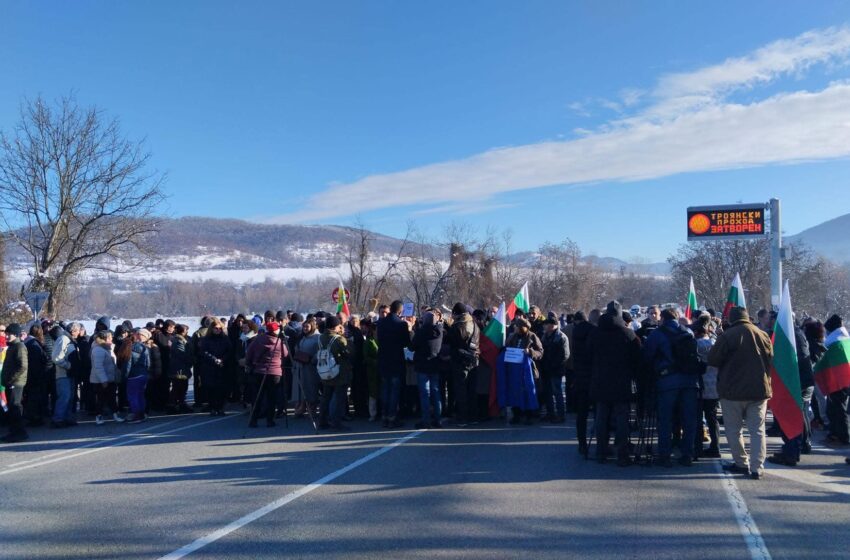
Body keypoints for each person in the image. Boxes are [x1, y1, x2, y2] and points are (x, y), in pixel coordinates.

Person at [708, 306, 773, 480]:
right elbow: (771, 357)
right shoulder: (762, 334)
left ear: (731, 318)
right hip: (759, 389)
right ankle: (757, 467)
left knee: (733, 430)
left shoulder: (727, 336)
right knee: (757, 431)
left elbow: (713, 359)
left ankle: (741, 463)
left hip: (732, 391)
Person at [643, 307, 701, 467]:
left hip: (667, 381)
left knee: (665, 420)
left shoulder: (657, 334)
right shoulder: (688, 332)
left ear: (663, 318)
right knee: (688, 420)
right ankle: (687, 454)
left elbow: (647, 356)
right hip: (689, 381)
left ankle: (665, 455)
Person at [589, 301, 642, 466]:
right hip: (622, 382)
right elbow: (638, 359)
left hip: (600, 381)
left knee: (601, 418)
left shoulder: (595, 333)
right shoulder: (628, 334)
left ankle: (601, 452)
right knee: (622, 419)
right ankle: (622, 453)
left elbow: (587, 355)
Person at [768, 315, 815, 466]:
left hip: (796, 382)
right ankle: (793, 448)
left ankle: (791, 451)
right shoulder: (795, 334)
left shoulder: (793, 335)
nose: (770, 323)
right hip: (796, 380)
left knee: (792, 416)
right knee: (797, 415)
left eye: (773, 320)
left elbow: (797, 359)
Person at [376, 300, 413, 428]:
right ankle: (392, 417)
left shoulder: (380, 323)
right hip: (396, 360)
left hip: (383, 359)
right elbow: (406, 343)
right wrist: (409, 330)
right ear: (400, 310)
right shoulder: (401, 324)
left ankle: (385, 416)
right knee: (394, 391)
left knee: (385, 389)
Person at [246, 321, 288, 428]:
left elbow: (249, 352)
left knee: (257, 397)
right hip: (274, 373)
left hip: (259, 371)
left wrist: (250, 364)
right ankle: (270, 420)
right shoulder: (279, 342)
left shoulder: (258, 339)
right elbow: (286, 354)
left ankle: (253, 420)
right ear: (275, 330)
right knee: (271, 397)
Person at [503, 316, 543, 425]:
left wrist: (530, 352)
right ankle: (516, 414)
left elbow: (540, 352)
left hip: (528, 370)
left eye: (517, 326)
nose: (515, 327)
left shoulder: (532, 336)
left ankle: (529, 415)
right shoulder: (512, 337)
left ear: (523, 327)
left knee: (527, 392)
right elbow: (506, 347)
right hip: (514, 370)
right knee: (515, 391)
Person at [447, 302, 480, 426]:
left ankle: (462, 417)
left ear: (456, 314)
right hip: (474, 360)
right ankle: (473, 416)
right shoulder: (475, 325)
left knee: (461, 390)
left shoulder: (456, 327)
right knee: (472, 389)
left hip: (460, 362)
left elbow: (451, 343)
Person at [410, 311, 444, 429]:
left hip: (423, 365)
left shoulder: (421, 332)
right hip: (435, 365)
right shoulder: (439, 332)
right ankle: (438, 419)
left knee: (425, 394)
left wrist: (414, 330)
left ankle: (426, 420)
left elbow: (412, 346)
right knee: (436, 392)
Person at [693, 314, 720, 458]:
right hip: (714, 385)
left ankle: (697, 448)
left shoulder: (695, 345)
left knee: (697, 419)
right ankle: (715, 446)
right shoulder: (714, 345)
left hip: (699, 385)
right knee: (712, 418)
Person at [318, 316, 352, 430]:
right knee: (339, 399)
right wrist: (344, 337)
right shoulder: (338, 339)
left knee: (326, 397)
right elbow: (348, 353)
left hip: (325, 371)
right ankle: (336, 422)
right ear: (335, 326)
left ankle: (322, 421)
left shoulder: (321, 337)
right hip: (339, 373)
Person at [570, 311, 595, 455]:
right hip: (593, 376)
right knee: (599, 412)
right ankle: (602, 442)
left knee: (582, 414)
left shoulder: (574, 333)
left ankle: (582, 443)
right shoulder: (594, 332)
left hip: (580, 377)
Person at [822, 314, 849, 446]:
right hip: (840, 381)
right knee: (834, 408)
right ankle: (835, 433)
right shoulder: (845, 340)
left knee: (839, 409)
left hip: (840, 382)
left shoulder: (836, 344)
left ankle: (843, 436)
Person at [198, 318, 232, 416]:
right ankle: (213, 407)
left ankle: (220, 407)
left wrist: (222, 360)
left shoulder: (225, 339)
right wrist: (214, 359)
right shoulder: (206, 339)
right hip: (209, 367)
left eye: (219, 328)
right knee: (211, 388)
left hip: (222, 366)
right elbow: (203, 352)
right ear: (211, 329)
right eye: (216, 328)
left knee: (221, 389)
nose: (218, 330)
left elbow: (229, 351)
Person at [1, 324, 29, 443]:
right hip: (10, 382)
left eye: (9, 334)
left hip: (16, 383)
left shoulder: (19, 346)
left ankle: (20, 433)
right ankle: (14, 432)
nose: (6, 336)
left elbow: (22, 366)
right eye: (6, 333)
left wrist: (11, 379)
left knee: (15, 407)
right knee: (12, 408)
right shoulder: (12, 346)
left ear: (16, 334)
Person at [90, 330, 123, 425]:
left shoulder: (108, 348)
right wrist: (103, 380)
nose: (112, 338)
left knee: (112, 397)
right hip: (101, 380)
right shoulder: (98, 349)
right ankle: (99, 416)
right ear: (105, 338)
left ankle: (115, 414)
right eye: (110, 337)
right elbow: (98, 366)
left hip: (110, 377)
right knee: (101, 398)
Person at [540, 317, 569, 423]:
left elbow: (565, 355)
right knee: (548, 392)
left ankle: (561, 415)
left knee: (557, 392)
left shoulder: (561, 337)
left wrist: (554, 365)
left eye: (546, 324)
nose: (544, 326)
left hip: (556, 369)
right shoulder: (545, 336)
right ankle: (550, 413)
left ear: (553, 325)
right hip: (546, 369)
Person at [292, 318, 321, 418]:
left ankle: (312, 409)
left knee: (311, 388)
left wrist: (313, 360)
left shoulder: (317, 337)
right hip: (300, 366)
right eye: (303, 326)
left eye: (307, 326)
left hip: (311, 368)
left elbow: (320, 352)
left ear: (312, 326)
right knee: (301, 388)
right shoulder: (302, 337)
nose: (304, 328)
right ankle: (301, 407)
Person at [50, 324, 78, 428]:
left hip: (70, 374)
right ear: (73, 331)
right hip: (63, 374)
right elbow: (56, 357)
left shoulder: (70, 341)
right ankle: (58, 419)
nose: (78, 333)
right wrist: (68, 365)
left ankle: (67, 417)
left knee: (70, 397)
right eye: (77, 331)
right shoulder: (63, 339)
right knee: (64, 397)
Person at [23, 325, 49, 427]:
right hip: (35, 377)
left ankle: (33, 416)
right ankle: (34, 417)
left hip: (30, 376)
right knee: (35, 398)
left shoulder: (28, 343)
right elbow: (36, 363)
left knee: (31, 397)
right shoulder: (34, 345)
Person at [126, 329, 152, 423]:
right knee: (140, 395)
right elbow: (148, 363)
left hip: (134, 375)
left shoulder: (133, 347)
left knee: (133, 395)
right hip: (143, 374)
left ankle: (136, 414)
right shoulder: (146, 348)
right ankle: (141, 413)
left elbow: (128, 363)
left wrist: (125, 375)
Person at [168, 325, 194, 414]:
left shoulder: (178, 340)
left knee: (182, 387)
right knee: (178, 387)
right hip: (179, 368)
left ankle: (180, 404)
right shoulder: (178, 340)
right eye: (186, 331)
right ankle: (173, 406)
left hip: (181, 367)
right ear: (183, 332)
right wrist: (191, 359)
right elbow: (182, 354)